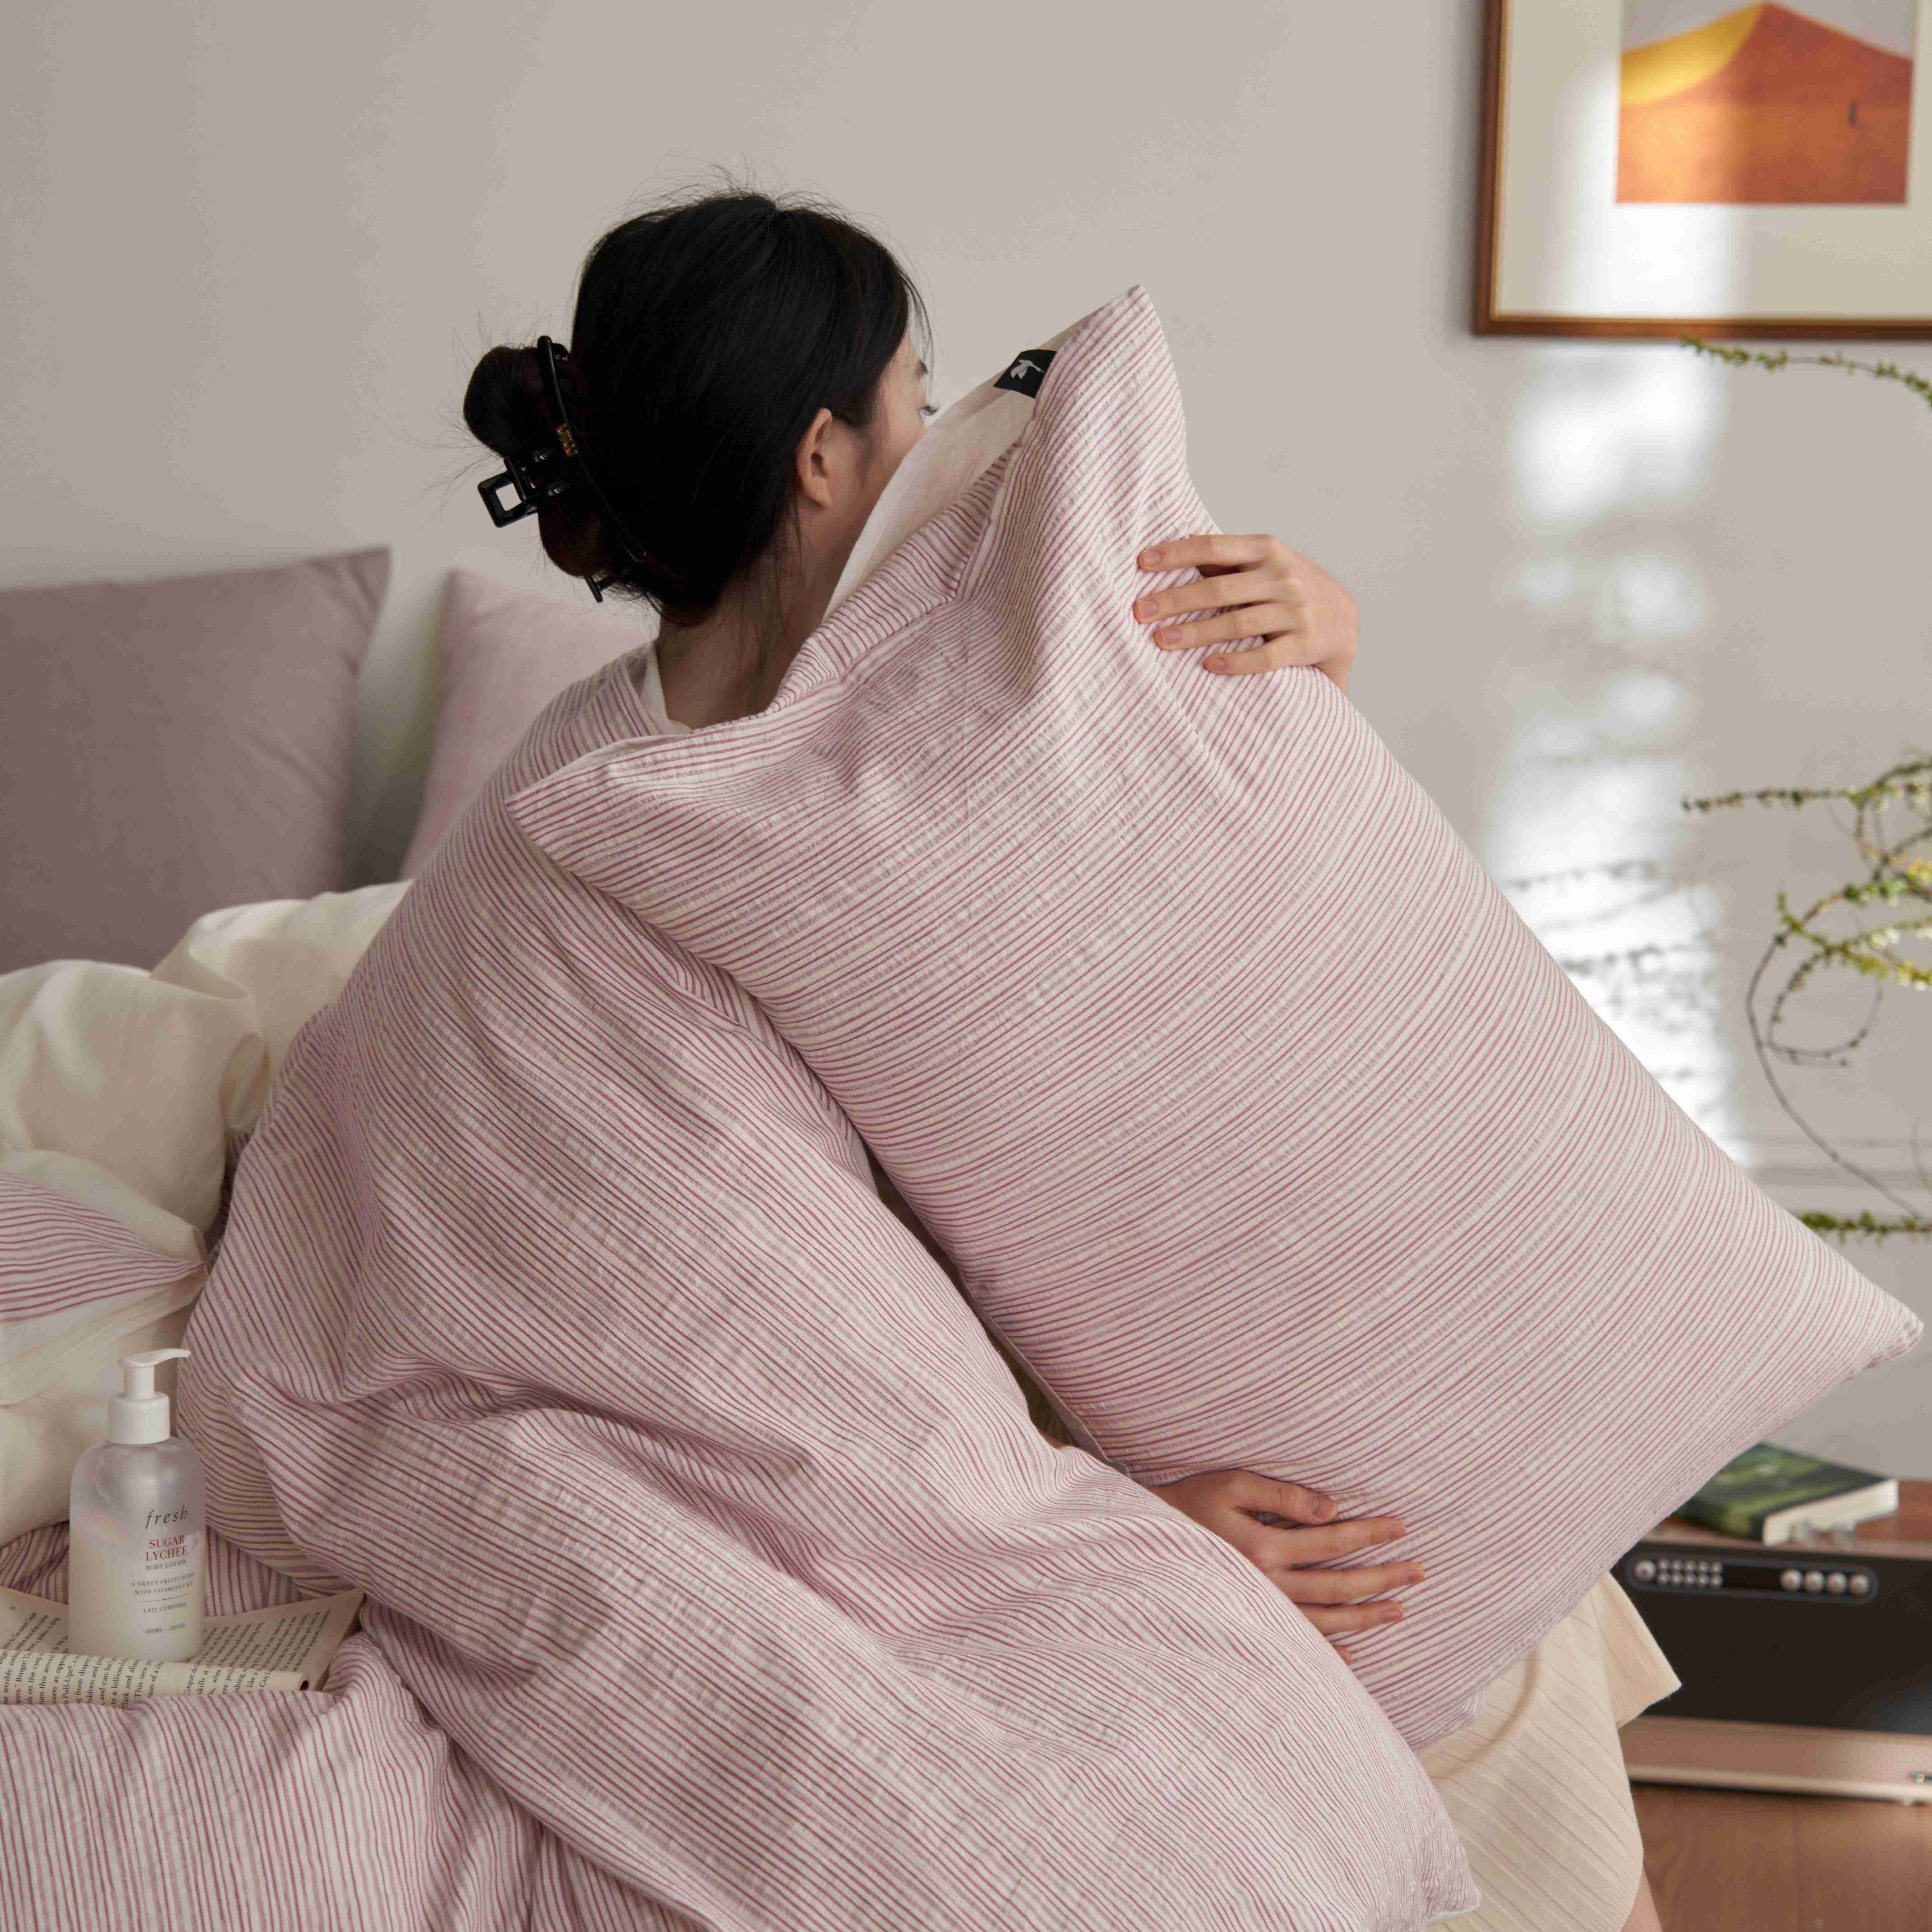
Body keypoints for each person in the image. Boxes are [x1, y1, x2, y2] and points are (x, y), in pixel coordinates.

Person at [464, 171, 1675, 1932]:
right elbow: (743, 1322)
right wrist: (1090, 1519)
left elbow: (1181, 969)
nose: (945, 432)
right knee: (1445, 1643)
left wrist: (1314, 656)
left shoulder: (923, 715)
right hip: (886, 1421)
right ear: (822, 457)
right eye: (915, 394)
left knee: (1491, 1573)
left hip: (1031, 1339)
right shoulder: (631, 822)